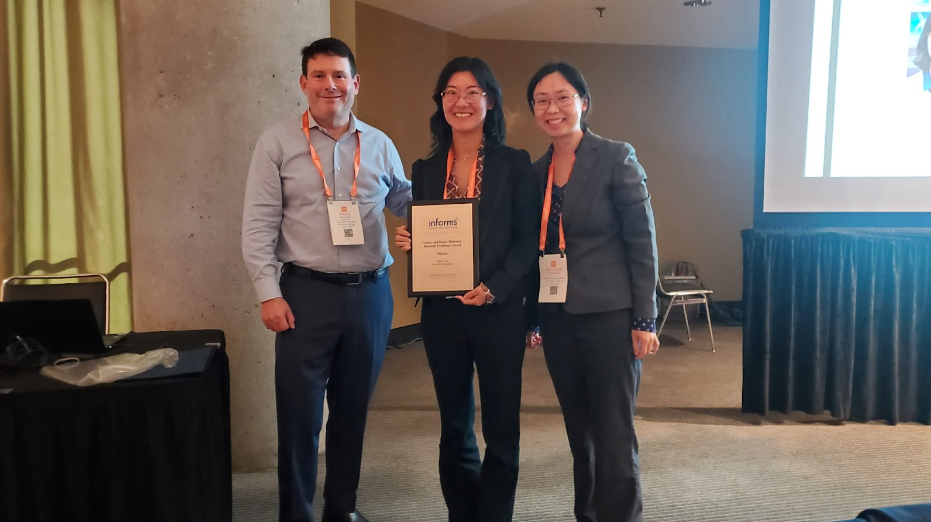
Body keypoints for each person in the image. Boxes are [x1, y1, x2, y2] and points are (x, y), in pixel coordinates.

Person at [242, 37, 411, 522]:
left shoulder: (378, 144)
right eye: (319, 75)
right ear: (303, 83)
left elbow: (404, 201)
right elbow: (257, 225)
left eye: (339, 75)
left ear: (355, 84)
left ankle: (343, 510)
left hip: (371, 295)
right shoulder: (277, 143)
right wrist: (267, 293)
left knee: (353, 413)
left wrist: (449, 225)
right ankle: (296, 513)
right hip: (303, 295)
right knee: (299, 417)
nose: (329, 85)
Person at [395, 57, 539, 522]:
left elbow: (525, 243)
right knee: (454, 424)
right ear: (441, 103)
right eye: (451, 92)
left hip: (498, 311)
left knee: (501, 425)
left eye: (472, 91)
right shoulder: (426, 167)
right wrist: (412, 239)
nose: (461, 101)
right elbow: (432, 235)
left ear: (489, 100)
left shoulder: (515, 164)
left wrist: (495, 288)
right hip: (443, 314)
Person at [524, 63, 660, 522]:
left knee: (613, 434)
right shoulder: (536, 171)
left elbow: (642, 241)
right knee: (578, 432)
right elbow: (535, 248)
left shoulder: (616, 156)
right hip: (558, 319)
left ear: (583, 101)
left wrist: (644, 320)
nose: (552, 108)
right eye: (541, 100)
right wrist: (534, 316)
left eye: (562, 97)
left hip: (610, 318)